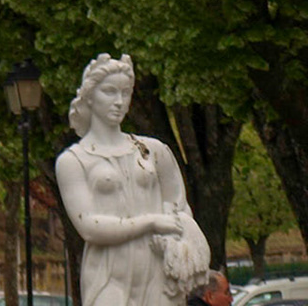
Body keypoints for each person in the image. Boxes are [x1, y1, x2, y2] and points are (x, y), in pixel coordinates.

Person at [57, 54, 210, 306]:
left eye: (125, 93)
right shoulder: (74, 160)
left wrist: (177, 242)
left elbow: (178, 206)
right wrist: (151, 222)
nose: (118, 101)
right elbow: (89, 226)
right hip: (109, 272)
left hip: (158, 269)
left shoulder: (154, 150)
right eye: (109, 91)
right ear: (90, 96)